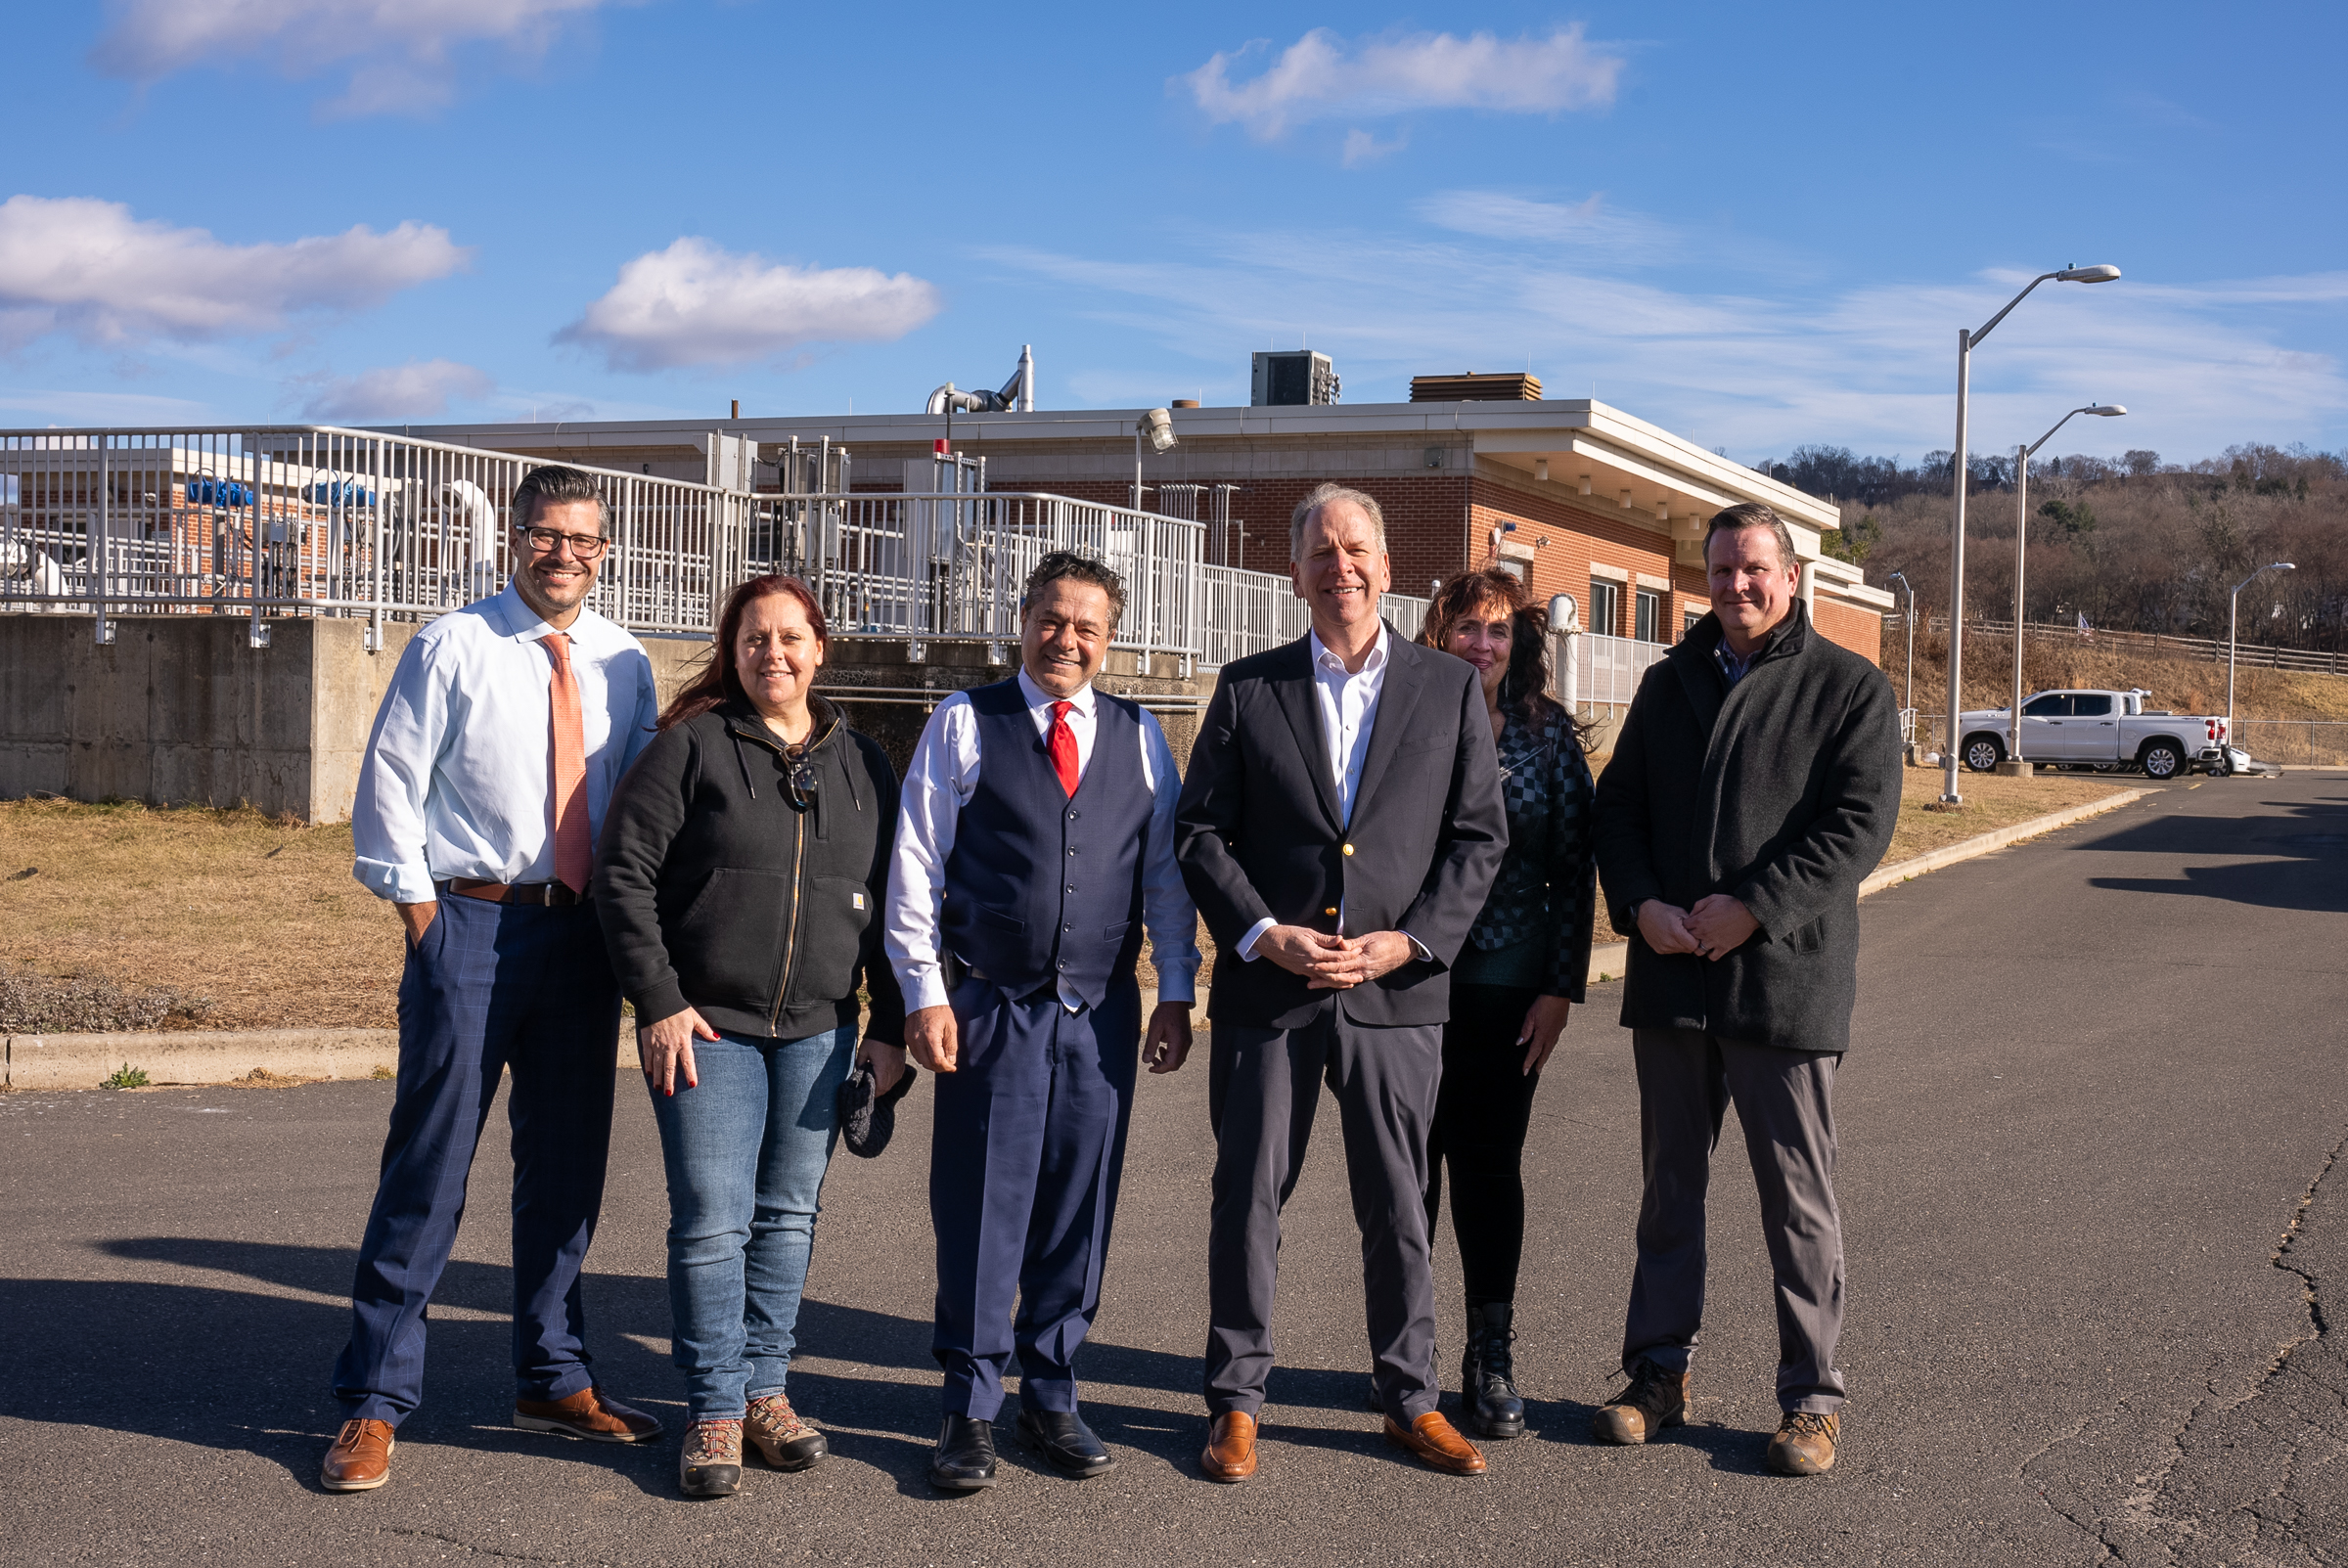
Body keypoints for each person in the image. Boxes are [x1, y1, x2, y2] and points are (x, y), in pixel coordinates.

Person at [326, 466, 663, 1493]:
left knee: (565, 1174)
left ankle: (551, 1376)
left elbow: (643, 803)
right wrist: (426, 926)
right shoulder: (453, 643)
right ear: (514, 539)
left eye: (585, 540)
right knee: (430, 1170)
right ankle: (374, 1403)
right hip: (470, 921)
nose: (566, 555)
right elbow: (389, 787)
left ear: (606, 552)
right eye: (547, 535)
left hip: (581, 940)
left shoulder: (623, 661)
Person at [1175, 483, 1509, 1483]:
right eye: (1320, 552)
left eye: (1355, 548)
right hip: (1271, 993)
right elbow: (1199, 831)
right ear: (1296, 573)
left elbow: (1479, 838)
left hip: (1395, 993)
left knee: (1399, 1201)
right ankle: (1236, 1399)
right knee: (1247, 1197)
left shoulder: (1448, 689)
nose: (1340, 567)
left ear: (1387, 566)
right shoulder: (1247, 685)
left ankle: (1410, 1396)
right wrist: (1262, 933)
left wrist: (1410, 944)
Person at [1589, 501, 1901, 1476]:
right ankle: (1657, 1374)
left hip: (1784, 982)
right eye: (1721, 572)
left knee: (1796, 1199)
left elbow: (1858, 824)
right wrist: (1639, 904)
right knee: (1669, 1190)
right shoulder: (1668, 681)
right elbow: (1620, 808)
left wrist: (1756, 907)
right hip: (1674, 978)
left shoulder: (1847, 688)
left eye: (1754, 570)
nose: (1737, 587)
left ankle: (1811, 1397)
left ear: (1792, 576)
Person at [882, 551, 1200, 1491]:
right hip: (993, 1003)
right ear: (1020, 621)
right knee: (984, 1203)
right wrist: (923, 994)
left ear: (1110, 638)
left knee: (1080, 1201)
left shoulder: (1143, 737)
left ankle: (1051, 1392)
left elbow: (1166, 881)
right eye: (1051, 619)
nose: (1067, 639)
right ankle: (970, 1405)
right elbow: (915, 867)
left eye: (1087, 626)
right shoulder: (963, 722)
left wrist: (1176, 989)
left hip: (1100, 1009)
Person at [593, 574, 906, 1498]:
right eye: (753, 639)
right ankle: (716, 1407)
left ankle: (767, 1389)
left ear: (821, 648)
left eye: (790, 637)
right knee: (712, 1222)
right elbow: (623, 877)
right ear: (731, 653)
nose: (773, 653)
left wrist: (887, 1029)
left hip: (819, 1034)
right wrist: (657, 1001)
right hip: (708, 1030)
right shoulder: (688, 747)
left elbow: (894, 910)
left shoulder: (864, 765)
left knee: (788, 1218)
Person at [1416, 567, 1596, 1440]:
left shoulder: (1549, 739)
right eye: (1464, 629)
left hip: (1509, 985)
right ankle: (1405, 1358)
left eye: (1495, 630)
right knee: (1406, 1173)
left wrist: (1561, 987)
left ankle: (1491, 1354)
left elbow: (1573, 869)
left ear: (1518, 642)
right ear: (1437, 635)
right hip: (1409, 985)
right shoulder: (1401, 723)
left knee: (1488, 1169)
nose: (1480, 645)